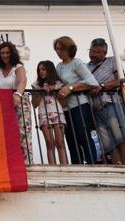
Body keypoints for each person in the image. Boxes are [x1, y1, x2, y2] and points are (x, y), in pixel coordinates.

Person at [87, 38, 125, 165]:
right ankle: (117, 167)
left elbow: (119, 80)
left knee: (121, 138)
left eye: (96, 52)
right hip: (96, 109)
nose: (92, 54)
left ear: (104, 53)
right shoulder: (86, 67)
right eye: (91, 51)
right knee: (108, 143)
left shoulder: (112, 61)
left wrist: (101, 86)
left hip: (112, 103)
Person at [53, 36, 99, 164]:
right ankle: (76, 164)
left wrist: (71, 88)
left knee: (83, 135)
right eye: (56, 49)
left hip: (80, 104)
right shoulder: (59, 66)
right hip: (65, 107)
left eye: (60, 48)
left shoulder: (76, 63)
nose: (58, 52)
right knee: (71, 139)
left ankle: (92, 164)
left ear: (69, 48)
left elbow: (92, 82)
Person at [0, 42, 33, 164]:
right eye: (2, 53)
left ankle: (26, 163)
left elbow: (22, 81)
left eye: (7, 53)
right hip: (4, 106)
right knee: (6, 134)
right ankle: (11, 162)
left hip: (20, 103)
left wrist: (17, 95)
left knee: (22, 133)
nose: (5, 55)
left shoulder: (18, 66)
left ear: (13, 53)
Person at [31, 60, 66, 165]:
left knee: (60, 141)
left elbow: (64, 103)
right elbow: (35, 104)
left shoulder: (59, 84)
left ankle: (64, 166)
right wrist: (41, 91)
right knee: (49, 142)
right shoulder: (35, 85)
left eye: (43, 69)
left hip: (58, 113)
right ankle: (52, 166)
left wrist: (55, 90)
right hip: (43, 113)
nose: (41, 72)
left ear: (50, 70)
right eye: (39, 70)